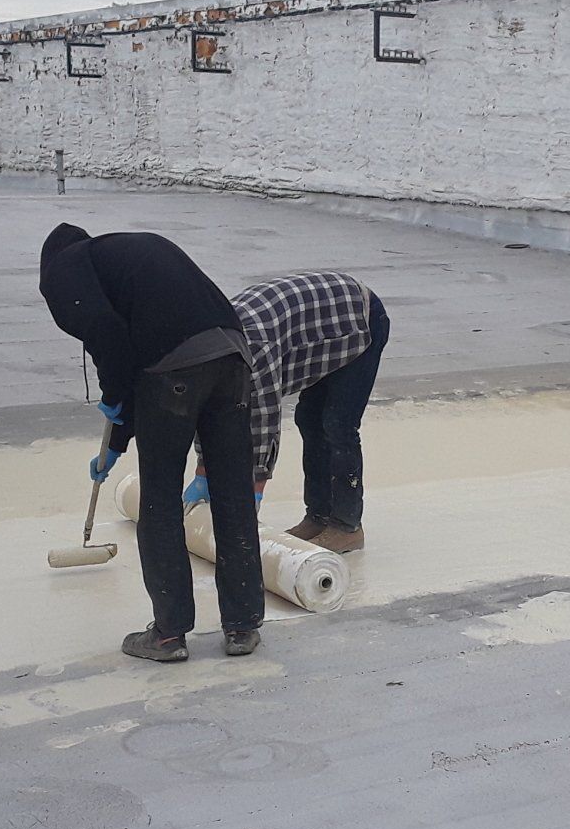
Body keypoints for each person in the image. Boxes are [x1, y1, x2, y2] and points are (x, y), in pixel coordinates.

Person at [38, 224, 266, 660]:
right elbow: (132, 346)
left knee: (159, 502)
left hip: (174, 367)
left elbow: (109, 340)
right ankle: (242, 626)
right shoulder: (127, 255)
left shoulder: (63, 270)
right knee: (233, 496)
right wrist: (118, 440)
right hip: (232, 359)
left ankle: (168, 633)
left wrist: (112, 401)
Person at [184, 272, 389, 553]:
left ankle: (346, 526)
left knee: (338, 424)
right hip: (320, 327)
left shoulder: (251, 350)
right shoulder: (204, 354)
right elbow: (207, 413)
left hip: (358, 320)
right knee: (309, 419)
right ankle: (318, 516)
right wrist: (202, 471)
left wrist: (254, 493)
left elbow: (264, 422)